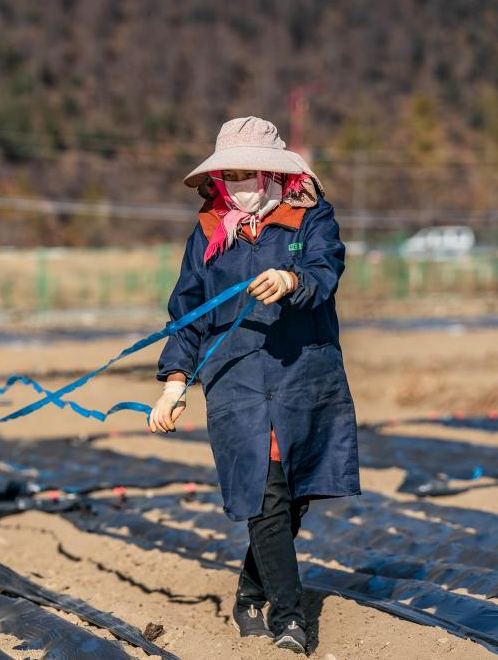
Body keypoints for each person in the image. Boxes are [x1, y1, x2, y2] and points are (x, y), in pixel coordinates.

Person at [149, 117, 359, 653]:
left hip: (300, 373)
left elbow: (326, 269)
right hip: (235, 379)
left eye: (247, 173)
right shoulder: (207, 232)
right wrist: (175, 382)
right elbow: (188, 311)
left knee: (292, 497)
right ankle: (290, 619)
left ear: (271, 174)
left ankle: (249, 593)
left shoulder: (311, 216)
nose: (237, 184)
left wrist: (293, 280)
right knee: (265, 494)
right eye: (230, 175)